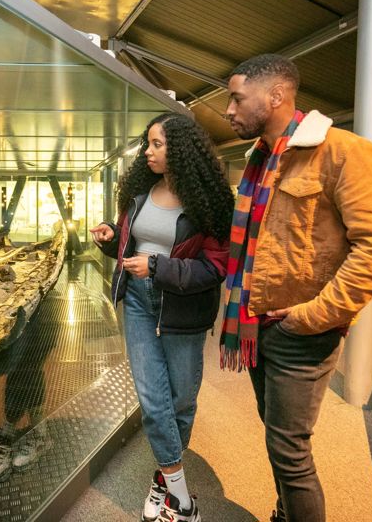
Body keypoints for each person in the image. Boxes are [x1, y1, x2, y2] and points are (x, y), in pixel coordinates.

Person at [221, 54, 372, 522]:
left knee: (290, 452)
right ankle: (286, 512)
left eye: (237, 98)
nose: (228, 109)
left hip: (301, 329)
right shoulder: (261, 159)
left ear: (276, 95)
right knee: (277, 435)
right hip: (258, 321)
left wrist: (313, 316)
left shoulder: (343, 151)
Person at [90, 112, 233, 522]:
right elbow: (130, 246)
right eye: (147, 143)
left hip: (185, 308)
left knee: (182, 401)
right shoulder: (138, 192)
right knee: (154, 403)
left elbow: (214, 269)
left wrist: (158, 267)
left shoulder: (209, 203)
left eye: (157, 144)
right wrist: (110, 239)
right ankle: (182, 501)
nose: (147, 151)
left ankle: (162, 479)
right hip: (138, 301)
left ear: (181, 150)